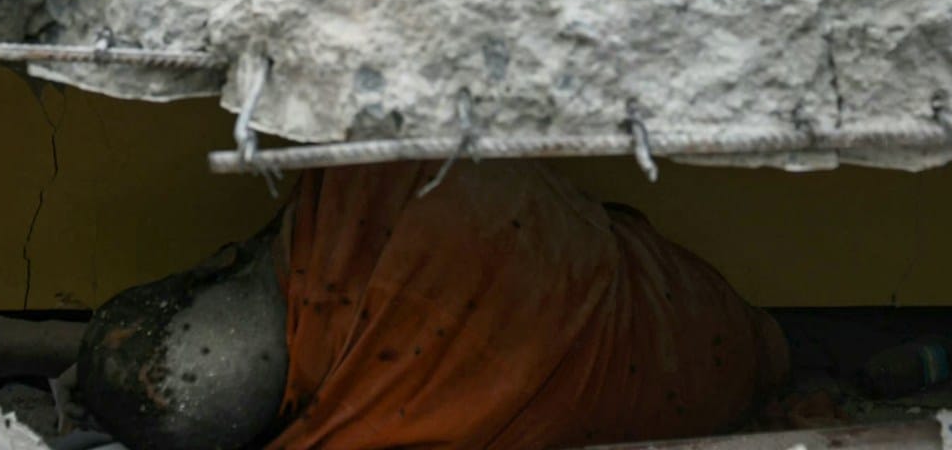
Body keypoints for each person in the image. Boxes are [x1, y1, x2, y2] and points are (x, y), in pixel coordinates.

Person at [77, 161, 787, 450]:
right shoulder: (371, 174)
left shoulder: (364, 420)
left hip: (695, 339)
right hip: (694, 332)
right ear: (222, 260)